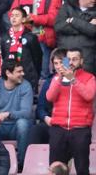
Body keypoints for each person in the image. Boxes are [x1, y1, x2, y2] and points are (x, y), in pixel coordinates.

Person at [46, 47, 94, 175]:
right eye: (69, 59)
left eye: (75, 59)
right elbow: (50, 97)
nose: (71, 62)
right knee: (56, 169)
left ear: (81, 61)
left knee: (82, 169)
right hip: (58, 128)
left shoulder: (89, 78)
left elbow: (89, 95)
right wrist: (60, 78)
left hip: (80, 129)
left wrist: (73, 79)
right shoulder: (57, 78)